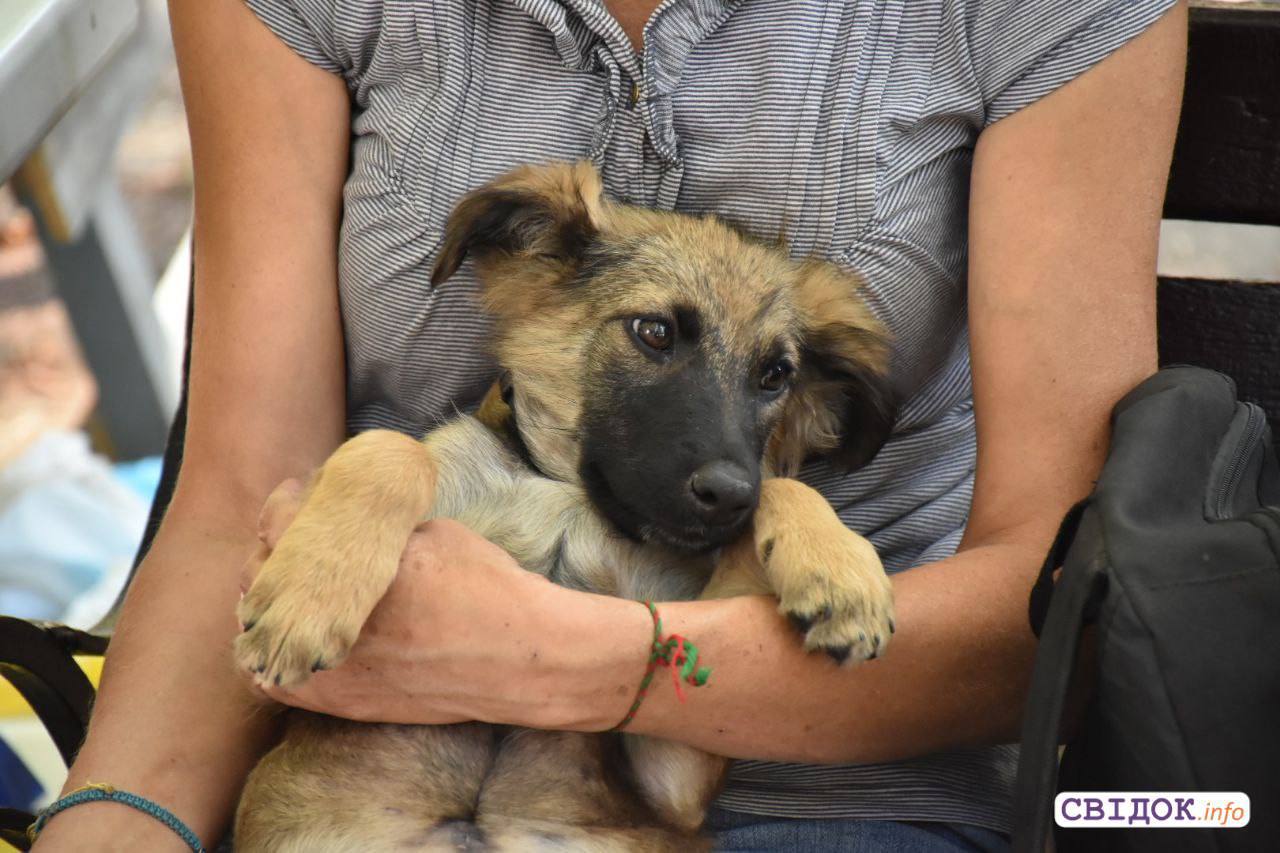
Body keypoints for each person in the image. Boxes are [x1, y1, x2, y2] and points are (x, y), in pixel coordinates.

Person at [32, 0, 1186, 849]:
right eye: (651, 337)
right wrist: (114, 816)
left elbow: (1070, 599)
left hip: (831, 789)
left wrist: (567, 663)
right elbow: (243, 497)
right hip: (357, 771)